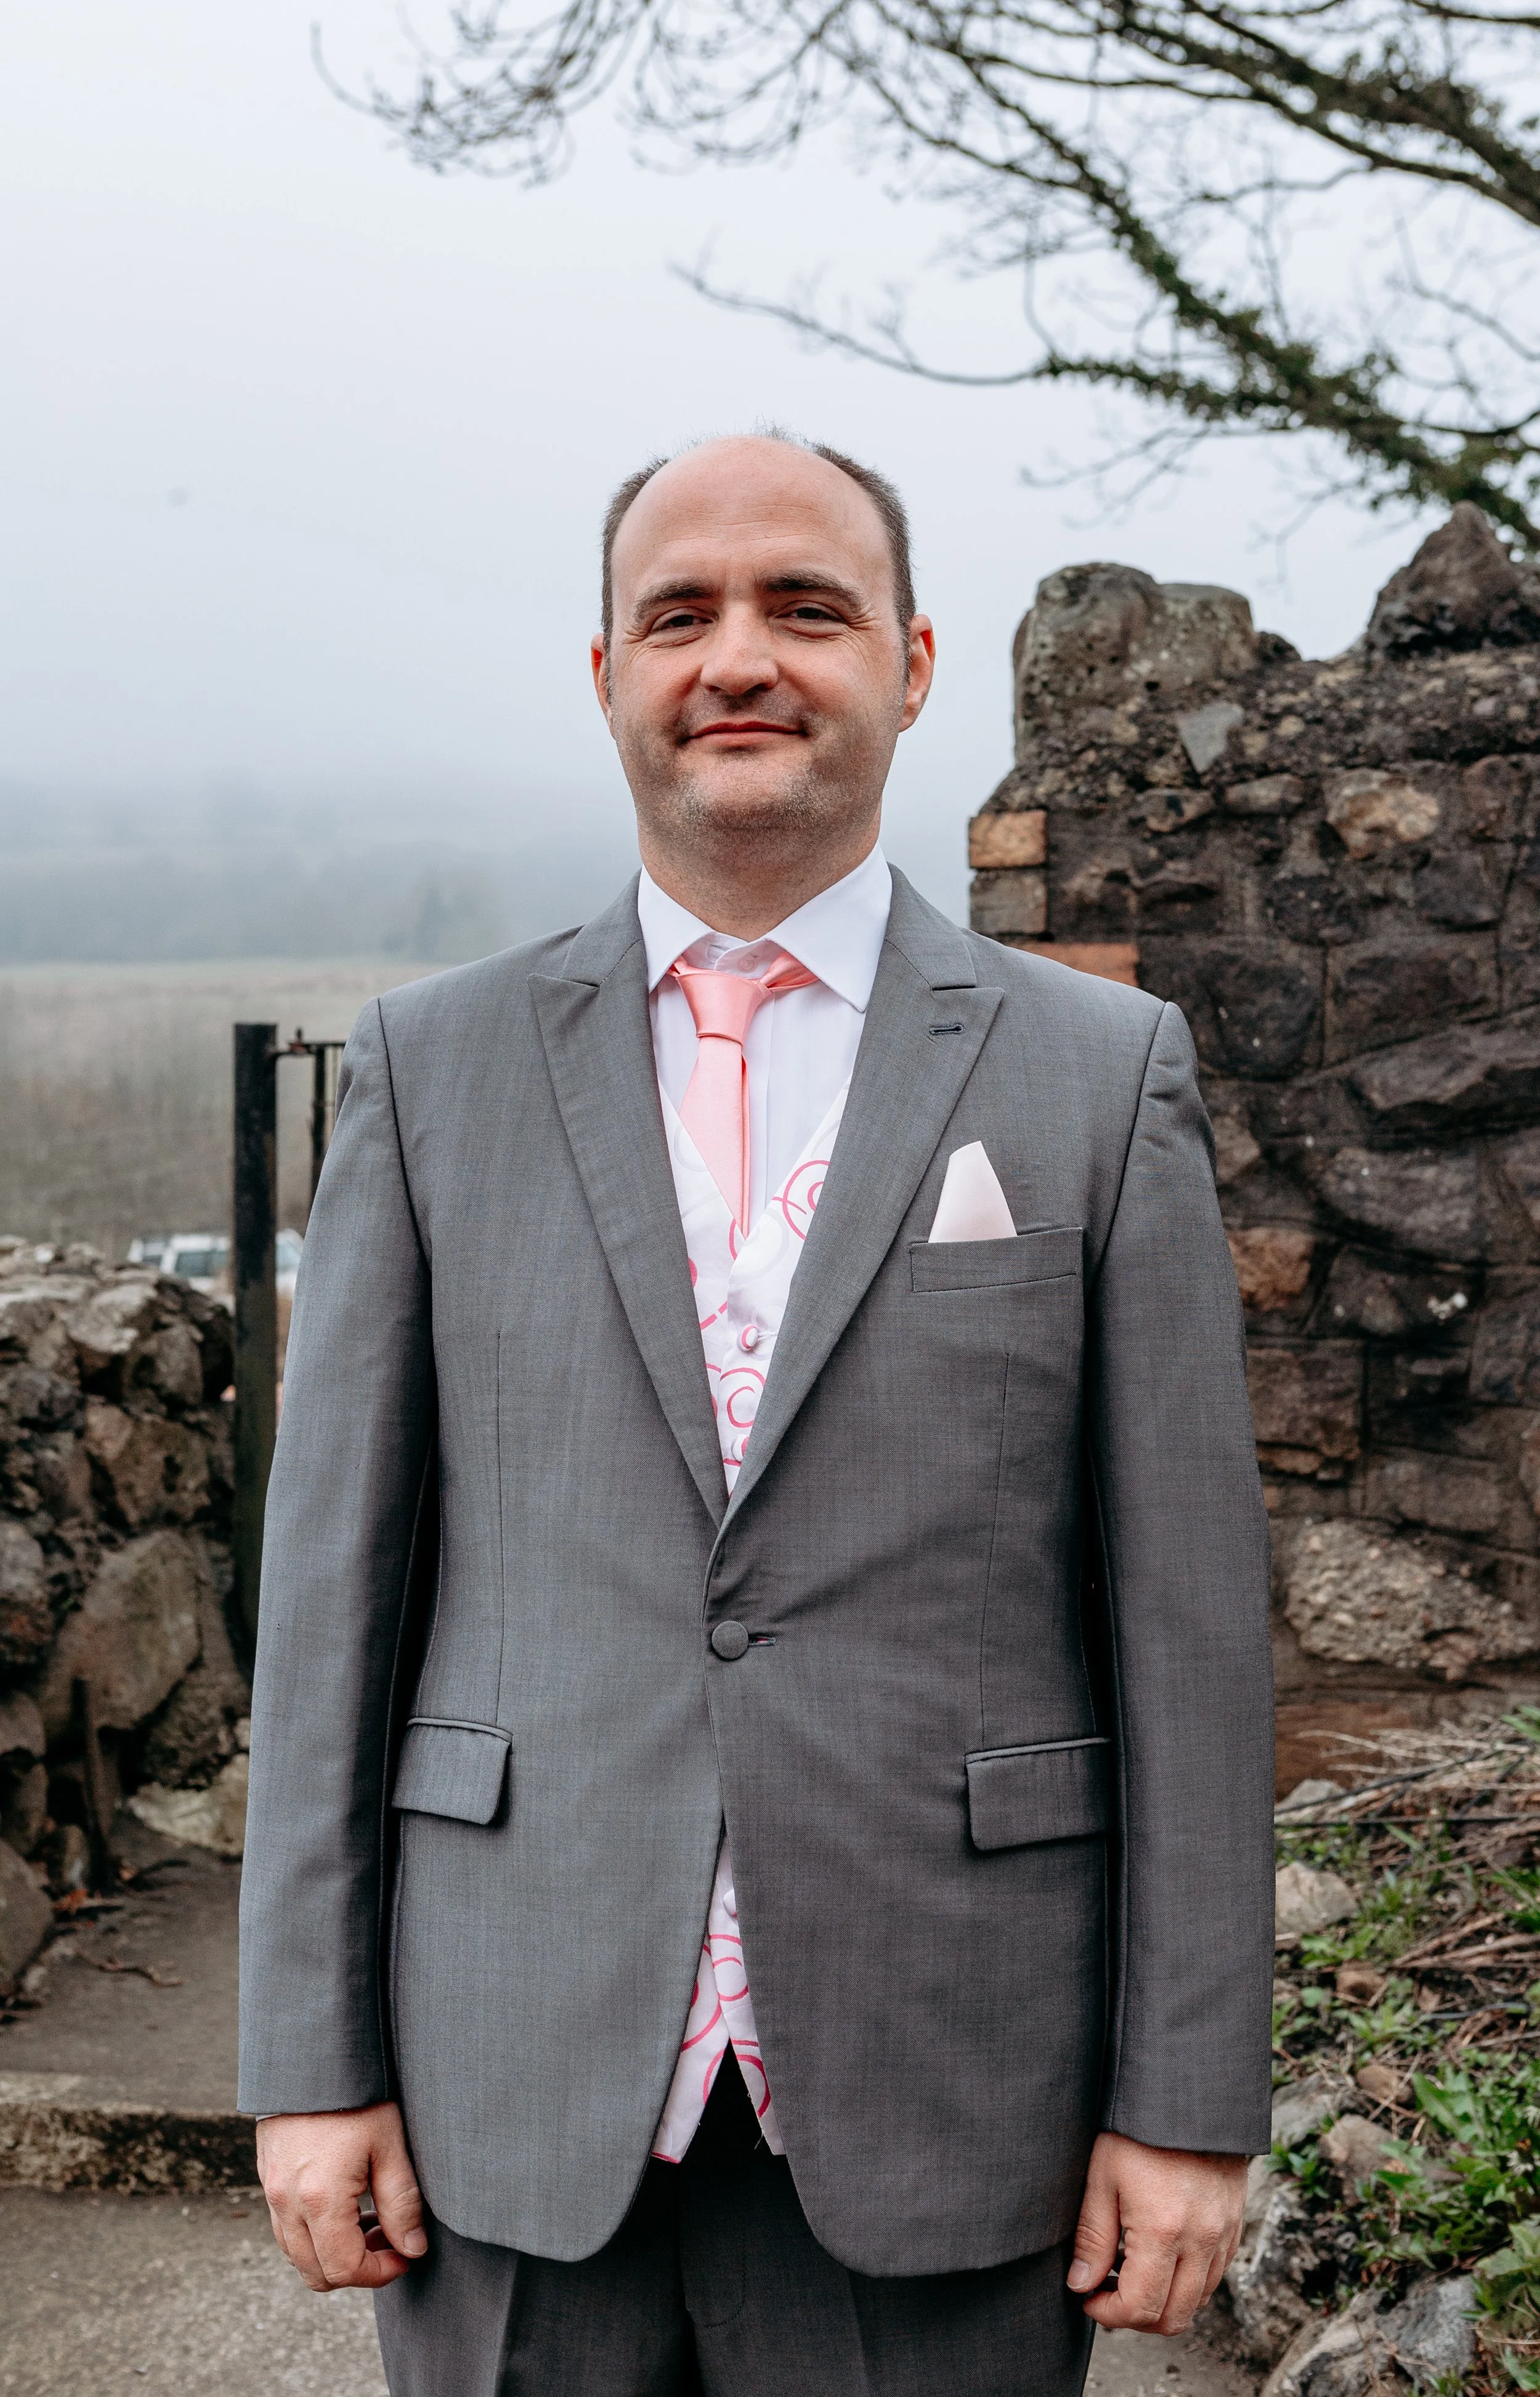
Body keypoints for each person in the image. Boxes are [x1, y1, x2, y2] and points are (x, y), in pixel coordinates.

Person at [239, 431, 1275, 2397]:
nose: (741, 658)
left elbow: (1192, 1632)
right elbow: (331, 1611)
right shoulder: (431, 1069)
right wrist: (310, 2064)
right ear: (606, 672)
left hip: (957, 2083)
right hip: (506, 2084)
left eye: (807, 607)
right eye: (678, 614)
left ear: (912, 659)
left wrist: (1188, 2096)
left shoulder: (1096, 1077)